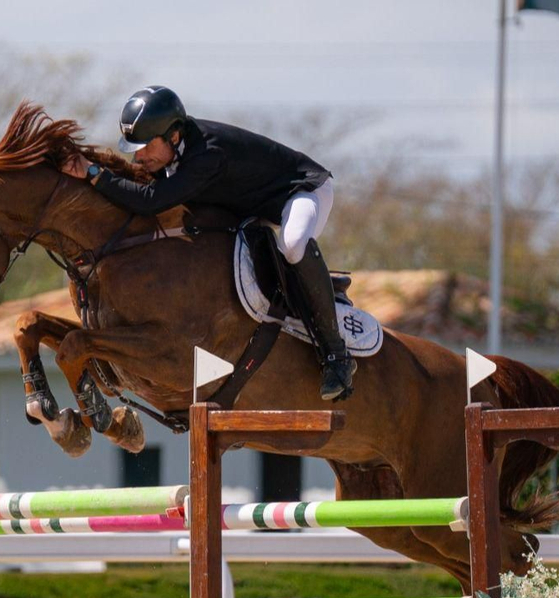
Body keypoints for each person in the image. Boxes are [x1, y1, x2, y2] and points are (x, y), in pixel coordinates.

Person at [60, 85, 356, 402]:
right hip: (256, 207)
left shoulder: (206, 154)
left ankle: (336, 355)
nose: (139, 155)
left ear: (173, 136)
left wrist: (93, 172)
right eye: (136, 147)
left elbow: (150, 202)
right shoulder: (174, 154)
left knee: (294, 243)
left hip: (303, 192)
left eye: (146, 146)